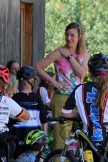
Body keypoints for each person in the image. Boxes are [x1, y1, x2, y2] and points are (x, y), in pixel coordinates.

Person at [35, 22, 89, 152]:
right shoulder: (58, 52)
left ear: (79, 36)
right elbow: (38, 67)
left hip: (78, 97)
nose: (69, 38)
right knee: (61, 137)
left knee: (77, 135)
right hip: (62, 97)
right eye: (67, 34)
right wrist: (54, 83)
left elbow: (82, 73)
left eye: (72, 35)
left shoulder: (83, 53)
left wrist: (69, 56)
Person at [10, 66, 48, 156]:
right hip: (35, 137)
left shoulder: (15, 98)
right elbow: (44, 120)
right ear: (31, 81)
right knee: (36, 160)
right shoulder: (37, 99)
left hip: (18, 136)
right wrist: (44, 135)